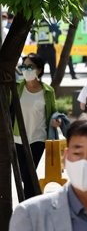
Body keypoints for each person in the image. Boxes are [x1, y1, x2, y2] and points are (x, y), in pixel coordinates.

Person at [13, 55, 59, 197]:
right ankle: (34, 204)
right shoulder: (16, 88)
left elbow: (53, 112)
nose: (26, 70)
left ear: (39, 70)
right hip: (18, 138)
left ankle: (29, 205)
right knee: (23, 176)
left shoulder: (48, 91)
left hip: (38, 138)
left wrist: (56, 121)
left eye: (30, 67)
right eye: (24, 66)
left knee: (29, 174)